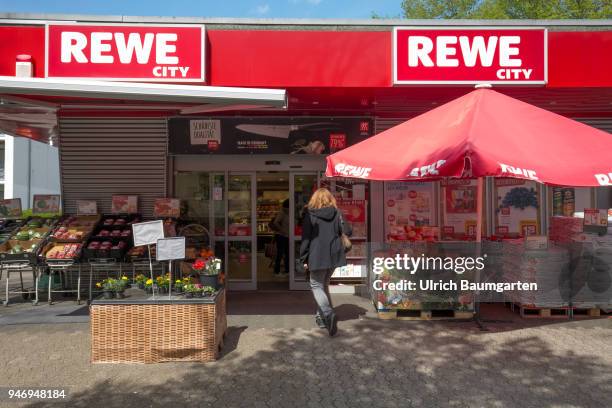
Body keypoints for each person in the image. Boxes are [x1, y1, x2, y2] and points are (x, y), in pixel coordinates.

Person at [299, 188, 348, 336]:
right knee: (323, 285)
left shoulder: (310, 214)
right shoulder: (337, 213)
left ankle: (327, 313)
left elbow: (306, 238)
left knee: (316, 285)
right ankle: (322, 319)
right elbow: (348, 231)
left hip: (317, 255)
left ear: (314, 199)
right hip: (334, 255)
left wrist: (303, 258)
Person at [270, 199, 290, 276]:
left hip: (286, 236)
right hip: (281, 236)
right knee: (280, 254)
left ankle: (287, 270)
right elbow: (275, 222)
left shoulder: (288, 212)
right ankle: (277, 271)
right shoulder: (283, 212)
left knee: (287, 254)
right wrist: (282, 230)